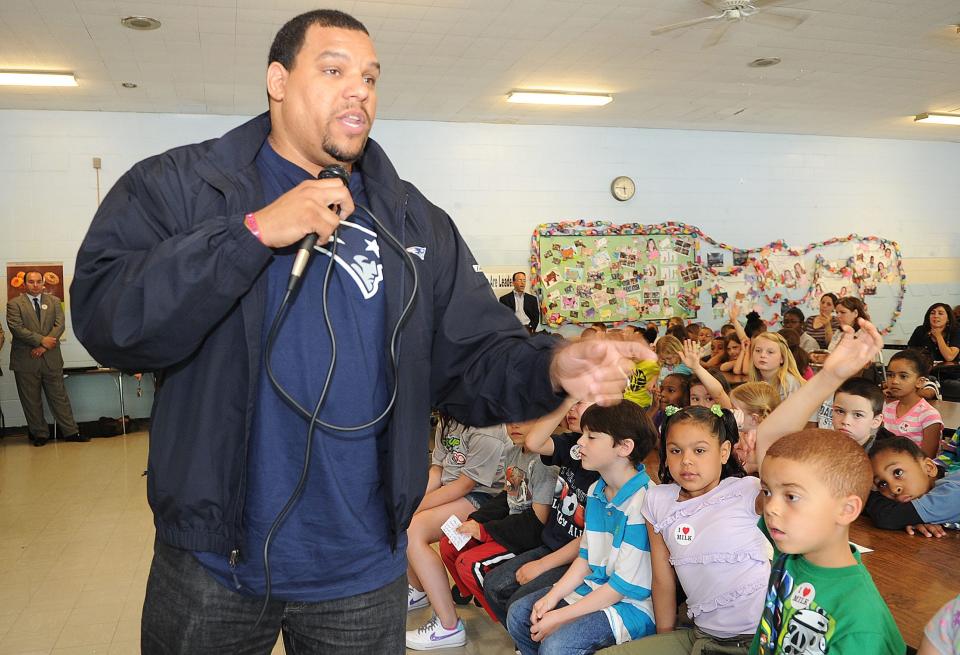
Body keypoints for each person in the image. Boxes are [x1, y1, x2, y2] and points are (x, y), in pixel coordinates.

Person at [68, 10, 654, 652]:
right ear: (278, 80)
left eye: (370, 78)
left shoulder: (412, 221)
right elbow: (108, 319)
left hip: (361, 565)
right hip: (214, 561)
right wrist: (251, 234)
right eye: (333, 70)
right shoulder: (181, 187)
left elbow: (474, 359)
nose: (359, 91)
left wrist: (551, 368)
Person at [747, 319, 904, 654]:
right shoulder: (790, 552)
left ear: (847, 509)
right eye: (768, 491)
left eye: (791, 496)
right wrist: (829, 377)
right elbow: (771, 440)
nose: (772, 507)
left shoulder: (861, 627)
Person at [604, 405, 767, 655]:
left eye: (700, 450)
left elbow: (784, 474)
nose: (686, 460)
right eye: (675, 451)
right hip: (700, 636)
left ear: (724, 452)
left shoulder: (746, 490)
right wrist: (664, 638)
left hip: (756, 639)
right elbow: (663, 579)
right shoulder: (657, 500)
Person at [506, 402, 658, 654]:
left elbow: (621, 588)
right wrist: (553, 597)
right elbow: (586, 557)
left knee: (556, 645)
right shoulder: (596, 491)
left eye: (592, 437)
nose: (580, 444)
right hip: (593, 587)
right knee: (520, 614)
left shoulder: (644, 501)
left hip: (630, 606)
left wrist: (561, 615)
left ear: (624, 447)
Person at [416, 420, 554, 648]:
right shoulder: (513, 452)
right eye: (510, 419)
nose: (514, 426)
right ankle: (467, 591)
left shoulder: (544, 466)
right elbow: (509, 499)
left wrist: (485, 530)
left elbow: (535, 523)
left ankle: (517, 632)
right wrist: (475, 521)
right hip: (510, 523)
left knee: (471, 565)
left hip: (527, 535)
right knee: (451, 544)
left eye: (524, 419)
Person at [482, 399, 596, 628]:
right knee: (493, 585)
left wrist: (543, 565)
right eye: (568, 402)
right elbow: (534, 442)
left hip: (578, 557)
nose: (571, 408)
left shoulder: (602, 464)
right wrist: (568, 400)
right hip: (550, 544)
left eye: (579, 402)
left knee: (518, 606)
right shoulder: (572, 445)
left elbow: (589, 541)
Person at [405, 416, 512, 647]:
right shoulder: (448, 416)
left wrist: (414, 509)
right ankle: (419, 590)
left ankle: (448, 626)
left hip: (484, 498)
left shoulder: (486, 426)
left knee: (412, 530)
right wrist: (413, 503)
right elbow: (438, 470)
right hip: (453, 490)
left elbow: (465, 485)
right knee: (402, 518)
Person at [5, 271, 84, 446]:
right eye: (31, 282)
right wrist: (41, 340)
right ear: (25, 284)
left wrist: (43, 346)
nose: (35, 285)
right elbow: (16, 329)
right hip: (25, 360)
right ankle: (40, 434)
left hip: (51, 358)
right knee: (31, 400)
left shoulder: (55, 302)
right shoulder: (14, 304)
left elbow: (60, 325)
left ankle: (71, 432)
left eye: (38, 281)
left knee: (59, 397)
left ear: (43, 284)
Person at [864, 437, 959, 537]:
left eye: (898, 473)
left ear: (928, 467)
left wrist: (907, 518)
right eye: (882, 484)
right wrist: (914, 519)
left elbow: (886, 517)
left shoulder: (953, 490)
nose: (893, 489)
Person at [883, 350, 943, 458]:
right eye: (890, 375)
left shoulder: (929, 415)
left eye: (903, 376)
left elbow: (927, 458)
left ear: (920, 382)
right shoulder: (886, 408)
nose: (894, 381)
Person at [747, 332, 806, 401]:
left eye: (770, 352)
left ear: (782, 358)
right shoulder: (755, 379)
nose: (762, 355)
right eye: (758, 350)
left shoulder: (788, 384)